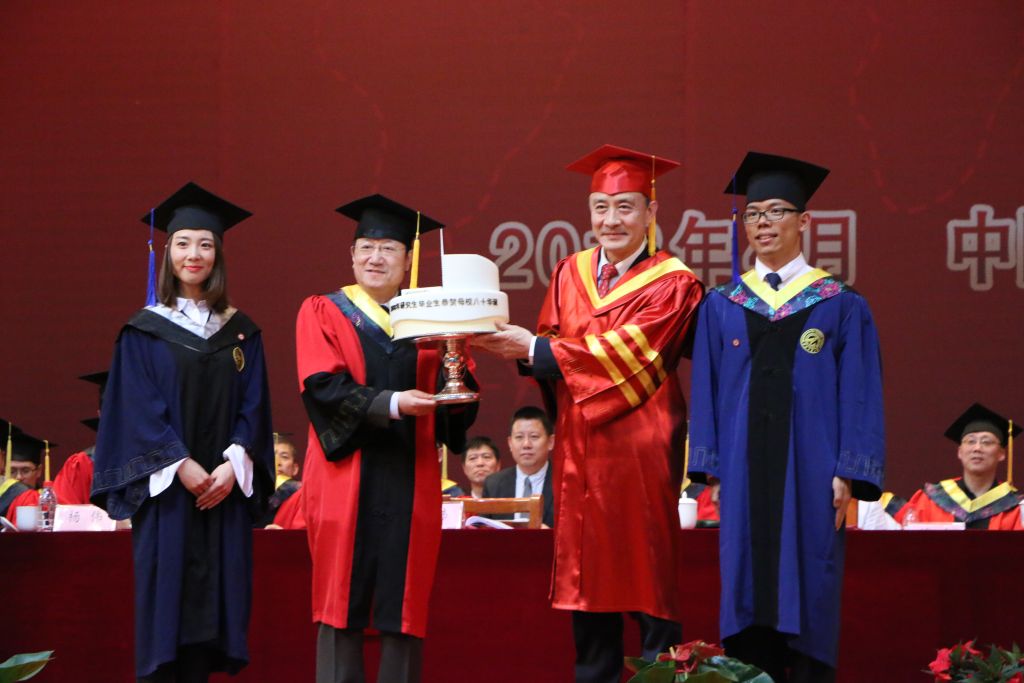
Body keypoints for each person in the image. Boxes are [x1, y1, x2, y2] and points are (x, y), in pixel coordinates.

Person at [474, 144, 704, 683]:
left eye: (625, 207)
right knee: (588, 590)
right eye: (601, 207)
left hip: (641, 451)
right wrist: (528, 353)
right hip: (579, 451)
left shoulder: (674, 283)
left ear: (651, 212)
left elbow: (634, 353)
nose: (611, 220)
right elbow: (550, 348)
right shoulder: (569, 271)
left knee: (648, 583)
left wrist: (537, 350)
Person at [689, 152, 885, 683]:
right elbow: (706, 391)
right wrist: (711, 469)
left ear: (804, 221)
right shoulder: (723, 304)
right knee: (747, 589)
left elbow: (860, 394)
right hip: (742, 473)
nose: (764, 224)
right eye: (754, 214)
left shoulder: (839, 304)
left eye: (777, 212)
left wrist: (849, 471)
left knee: (810, 585)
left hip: (813, 473)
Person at [90, 182, 274, 682]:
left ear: (218, 255)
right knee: (166, 620)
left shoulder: (242, 332)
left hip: (222, 495)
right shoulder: (143, 332)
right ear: (167, 252)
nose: (194, 254)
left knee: (214, 624)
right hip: (169, 497)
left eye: (205, 244)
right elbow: (135, 410)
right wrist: (179, 464)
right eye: (184, 243)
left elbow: (255, 407)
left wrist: (234, 464)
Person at [296, 194, 476, 683]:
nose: (376, 258)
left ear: (408, 258)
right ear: (352, 255)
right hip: (343, 480)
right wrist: (394, 404)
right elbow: (322, 387)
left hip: (410, 477)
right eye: (367, 248)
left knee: (405, 606)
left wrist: (460, 371)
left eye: (389, 248)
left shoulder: (432, 318)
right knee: (340, 604)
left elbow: (456, 405)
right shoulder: (323, 311)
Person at [895, 403, 1022, 530]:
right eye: (971, 441)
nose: (977, 448)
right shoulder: (931, 500)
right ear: (960, 452)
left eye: (986, 442)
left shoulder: (1015, 507)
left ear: (1001, 454)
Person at [481, 406, 555, 527]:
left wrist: (552, 534)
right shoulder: (493, 484)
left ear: (550, 442)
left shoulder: (566, 483)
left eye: (534, 437)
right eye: (519, 437)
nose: (526, 444)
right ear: (510, 443)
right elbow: (482, 530)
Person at [259, 432, 302, 527]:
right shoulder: (253, 495)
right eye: (272, 456)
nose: (277, 462)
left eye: (284, 457)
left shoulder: (302, 495)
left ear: (295, 469)